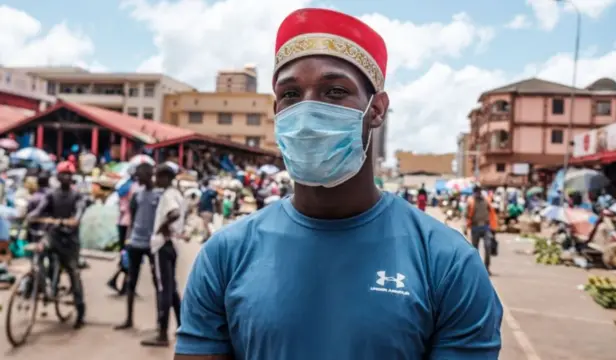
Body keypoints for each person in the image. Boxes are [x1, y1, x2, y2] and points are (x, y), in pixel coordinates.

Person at [175, 8, 502, 360]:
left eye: (334, 91)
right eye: (290, 95)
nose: (307, 113)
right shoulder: (225, 256)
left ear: (376, 109)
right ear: (276, 110)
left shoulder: (447, 263)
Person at [27, 161, 86, 329]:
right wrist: (30, 215)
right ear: (58, 177)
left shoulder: (77, 196)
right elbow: (40, 209)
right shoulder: (51, 195)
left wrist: (74, 221)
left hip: (70, 241)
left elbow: (79, 212)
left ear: (72, 177)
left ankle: (80, 311)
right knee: (38, 252)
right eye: (63, 174)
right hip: (52, 236)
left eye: (68, 174)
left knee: (74, 273)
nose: (65, 177)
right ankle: (43, 285)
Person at [114, 163, 161, 330]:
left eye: (141, 176)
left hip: (151, 243)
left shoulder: (159, 195)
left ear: (149, 175)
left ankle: (159, 322)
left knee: (158, 283)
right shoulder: (138, 195)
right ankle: (128, 319)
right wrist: (127, 241)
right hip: (135, 242)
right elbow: (132, 221)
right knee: (131, 281)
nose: (139, 179)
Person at [142, 163, 184, 347]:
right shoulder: (176, 194)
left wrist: (162, 227)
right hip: (172, 244)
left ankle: (162, 333)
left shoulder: (168, 195)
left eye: (158, 177)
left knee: (163, 289)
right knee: (171, 288)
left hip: (163, 245)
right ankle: (183, 325)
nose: (155, 180)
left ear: (166, 178)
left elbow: (173, 213)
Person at [466, 185, 498, 275]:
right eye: (476, 191)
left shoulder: (486, 201)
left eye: (478, 191)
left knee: (488, 247)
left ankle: (487, 267)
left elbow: (492, 214)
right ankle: (475, 269)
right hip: (475, 227)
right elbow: (466, 215)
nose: (477, 193)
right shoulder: (470, 202)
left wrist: (493, 228)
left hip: (485, 227)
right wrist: (466, 227)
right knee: (474, 250)